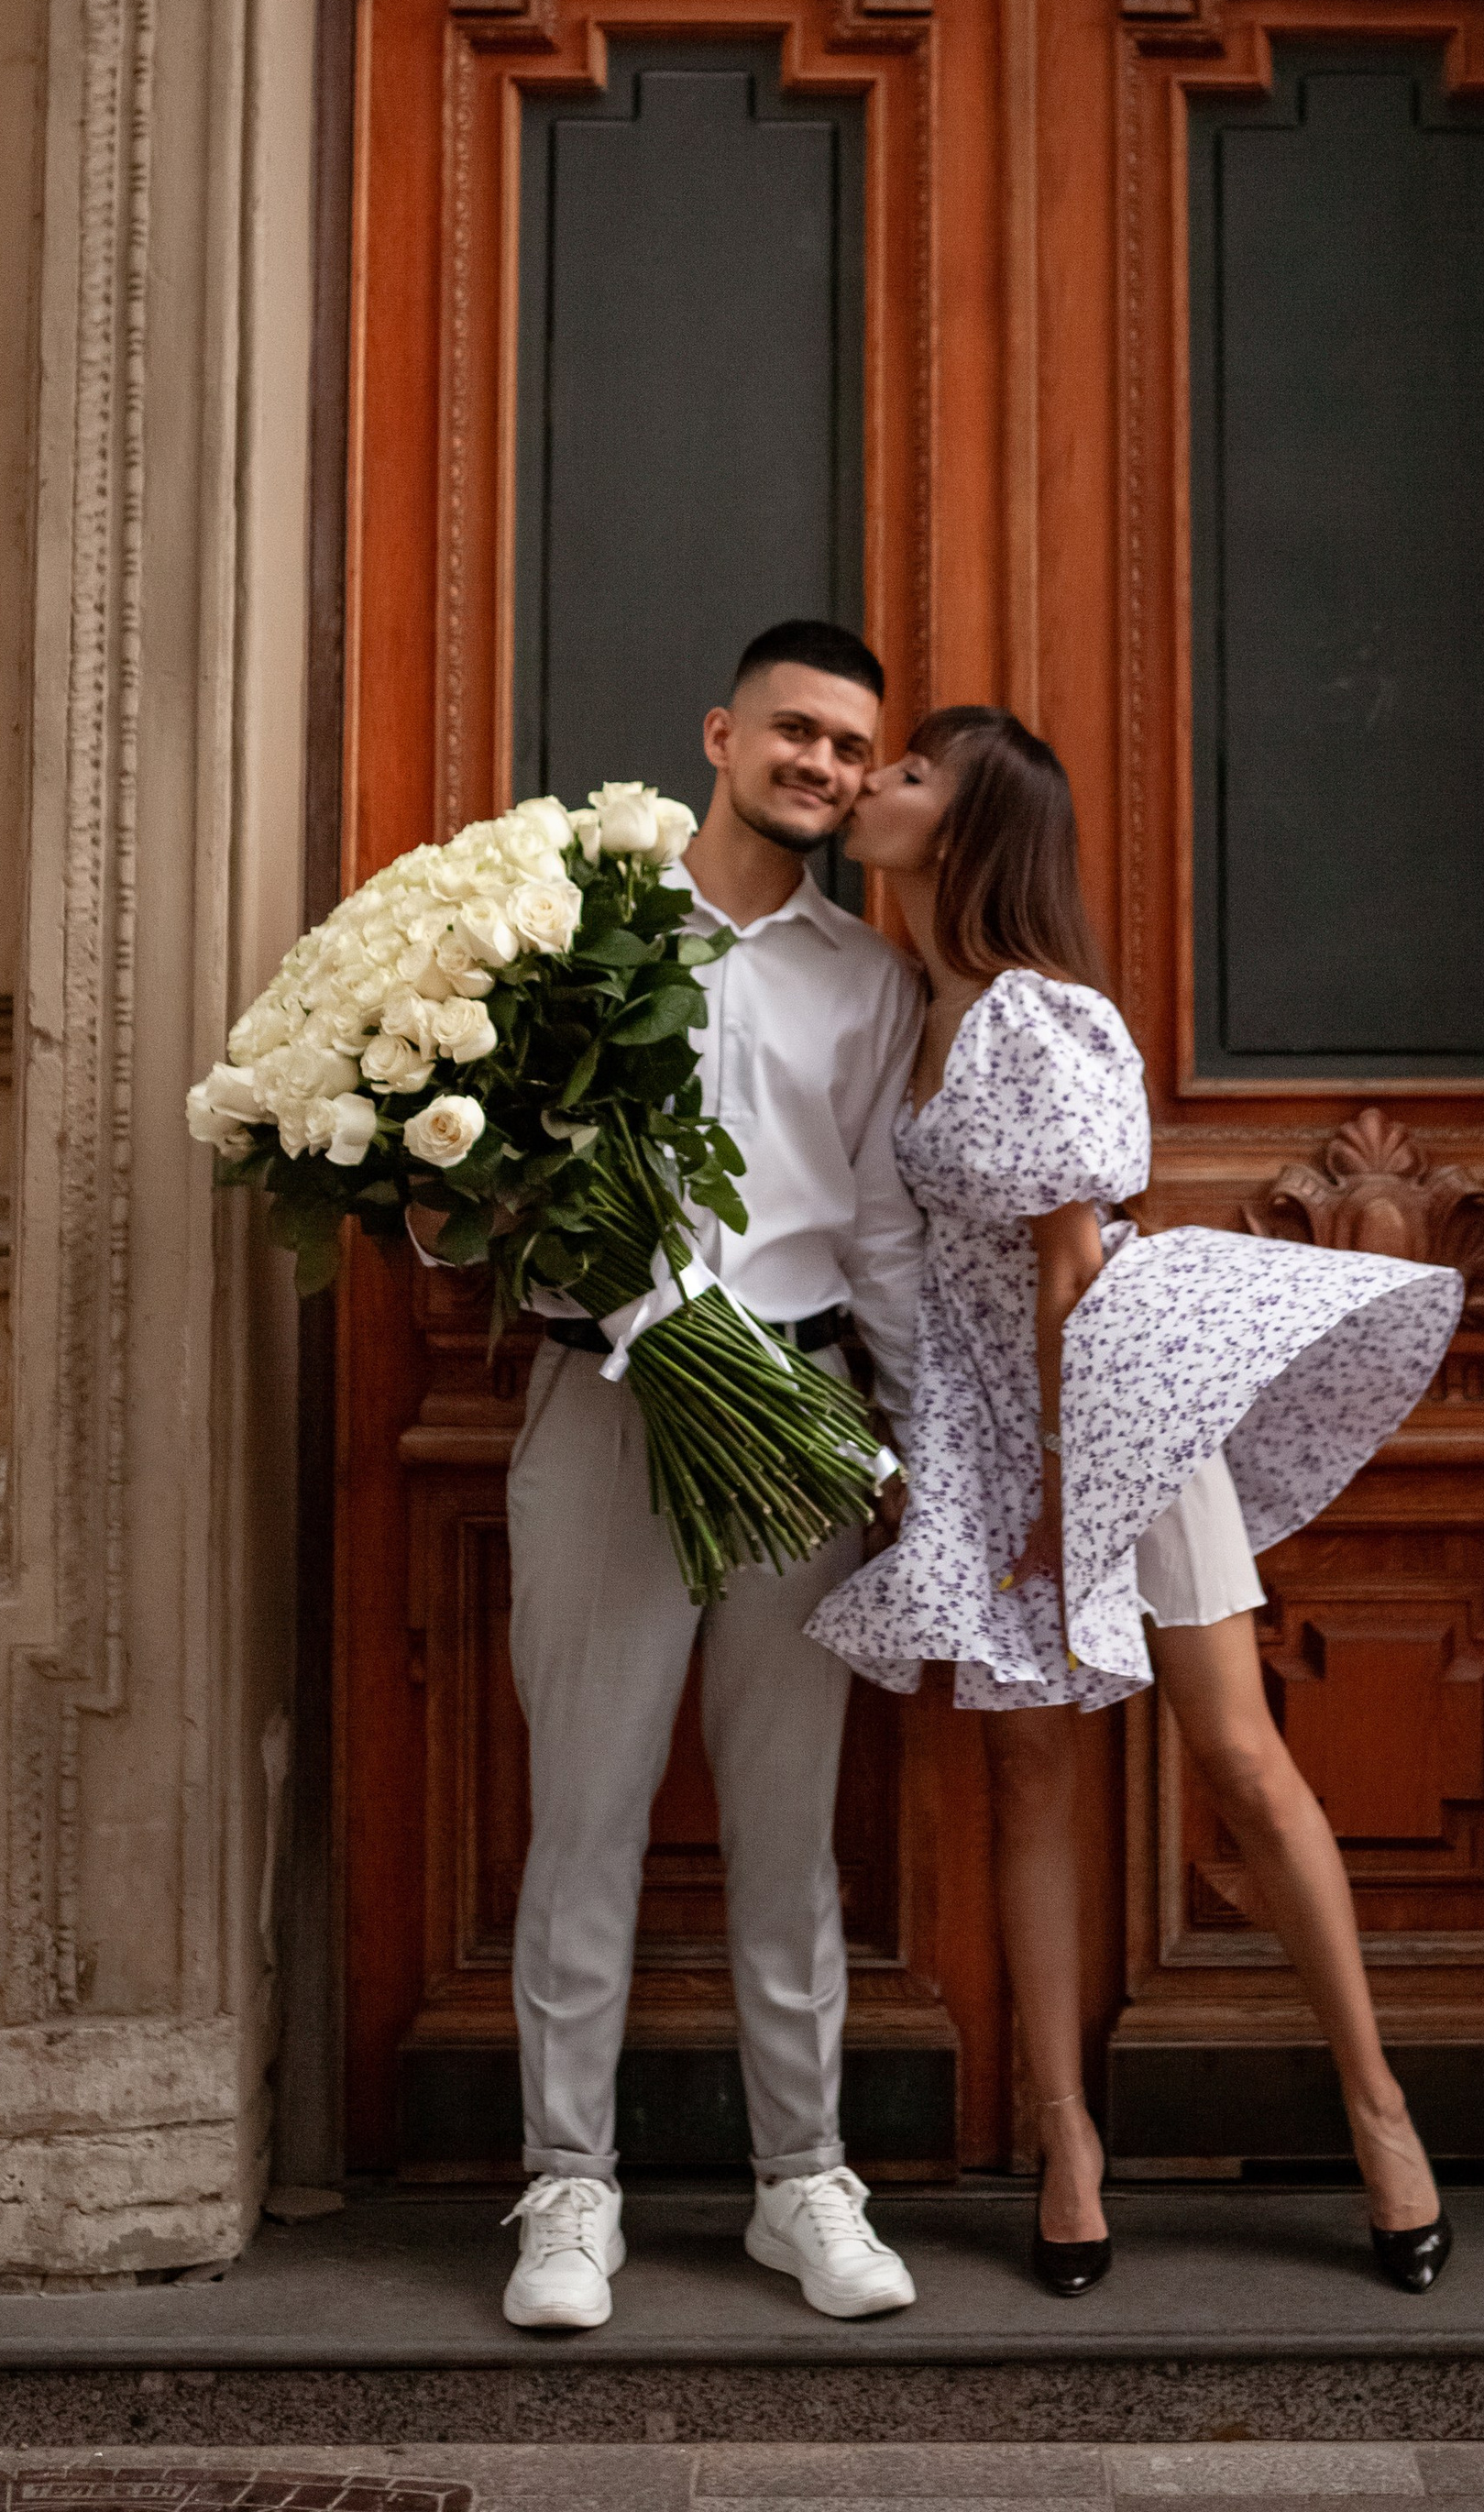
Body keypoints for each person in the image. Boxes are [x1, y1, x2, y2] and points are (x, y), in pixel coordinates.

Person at [808, 705, 1465, 2298]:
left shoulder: (1040, 1018)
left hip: (1114, 1405)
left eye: (910, 772)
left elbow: (1068, 1267)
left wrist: (1065, 1484)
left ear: (968, 829)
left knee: (1239, 1754)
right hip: (979, 1419)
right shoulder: (904, 1007)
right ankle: (1065, 2139)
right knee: (1029, 1767)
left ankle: (1379, 2110)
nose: (873, 782)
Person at [493, 622, 926, 2333]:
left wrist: (912, 1444)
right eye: (795, 729)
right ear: (722, 733)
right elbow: (494, 1204)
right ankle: (567, 2187)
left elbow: (880, 1231)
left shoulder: (871, 980)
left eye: (850, 746)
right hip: (602, 1403)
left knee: (787, 1829)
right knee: (587, 1810)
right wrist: (508, 1239)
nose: (821, 762)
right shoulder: (574, 942)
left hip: (798, 1418)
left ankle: (801, 2179)